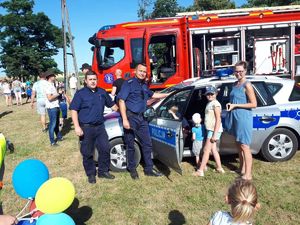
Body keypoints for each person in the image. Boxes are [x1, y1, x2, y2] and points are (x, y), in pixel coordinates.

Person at [118, 63, 171, 180]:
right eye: (140, 71)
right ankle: (132, 169)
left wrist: (169, 94)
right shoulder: (128, 84)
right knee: (130, 144)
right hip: (131, 118)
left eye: (144, 72)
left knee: (147, 144)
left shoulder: (144, 85)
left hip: (142, 118)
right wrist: (125, 119)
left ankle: (148, 169)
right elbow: (121, 101)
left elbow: (154, 95)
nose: (142, 73)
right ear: (135, 71)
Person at [70, 71, 118, 184]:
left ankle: (103, 171)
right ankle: (91, 174)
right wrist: (77, 127)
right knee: (87, 152)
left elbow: (112, 105)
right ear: (86, 81)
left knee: (105, 149)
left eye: (94, 79)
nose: (93, 81)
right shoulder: (80, 94)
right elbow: (74, 110)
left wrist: (124, 112)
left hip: (100, 127)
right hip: (86, 128)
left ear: (97, 80)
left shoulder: (102, 92)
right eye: (90, 79)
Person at [226, 61, 257, 180]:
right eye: (236, 71)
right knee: (238, 144)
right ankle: (241, 168)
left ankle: (248, 175)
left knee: (245, 146)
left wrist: (236, 106)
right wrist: (232, 104)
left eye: (240, 71)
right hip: (235, 117)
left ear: (245, 71)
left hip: (244, 118)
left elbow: (254, 104)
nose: (238, 73)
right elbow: (236, 100)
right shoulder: (235, 84)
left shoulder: (247, 85)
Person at [195, 86, 224, 177]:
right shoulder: (210, 103)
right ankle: (219, 168)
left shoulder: (216, 104)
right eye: (208, 94)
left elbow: (218, 119)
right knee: (213, 149)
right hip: (211, 129)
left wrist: (214, 134)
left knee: (206, 150)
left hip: (213, 130)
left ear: (216, 94)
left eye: (212, 94)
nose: (210, 95)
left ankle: (200, 171)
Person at [44, 70, 63, 146]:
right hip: (52, 107)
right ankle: (52, 141)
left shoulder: (52, 84)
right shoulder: (48, 86)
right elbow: (49, 98)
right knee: (53, 124)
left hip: (55, 106)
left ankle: (59, 137)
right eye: (53, 76)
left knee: (57, 123)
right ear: (50, 77)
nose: (55, 77)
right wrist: (58, 94)